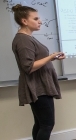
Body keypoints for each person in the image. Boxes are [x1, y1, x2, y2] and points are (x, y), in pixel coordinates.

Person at [11, 4, 65, 140]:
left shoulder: (27, 38)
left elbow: (37, 61)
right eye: (35, 18)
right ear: (24, 21)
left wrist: (52, 57)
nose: (40, 21)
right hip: (38, 87)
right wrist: (50, 57)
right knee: (47, 124)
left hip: (40, 85)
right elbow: (28, 67)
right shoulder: (23, 40)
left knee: (41, 123)